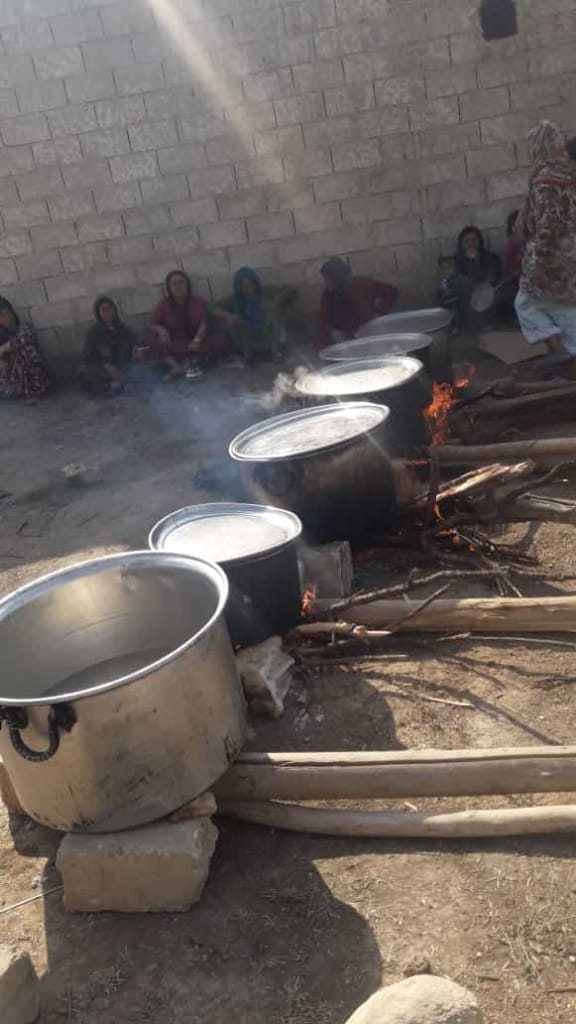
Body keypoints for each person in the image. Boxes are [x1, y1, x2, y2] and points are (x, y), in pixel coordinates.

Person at [514, 120, 576, 370]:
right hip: (568, 259)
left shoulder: (545, 181)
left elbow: (547, 227)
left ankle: (563, 354)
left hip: (553, 263)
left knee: (526, 304)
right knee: (562, 308)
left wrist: (537, 265)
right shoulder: (566, 175)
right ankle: (564, 355)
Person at [146, 270, 229, 378]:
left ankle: (190, 364)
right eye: (174, 284)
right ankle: (177, 367)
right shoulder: (165, 305)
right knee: (149, 338)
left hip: (197, 343)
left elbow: (207, 319)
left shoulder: (197, 301)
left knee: (221, 339)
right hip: (176, 344)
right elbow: (151, 323)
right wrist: (160, 329)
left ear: (187, 284)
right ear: (169, 288)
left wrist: (196, 341)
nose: (178, 286)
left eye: (181, 282)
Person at [216, 267, 297, 364]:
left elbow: (292, 289)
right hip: (248, 336)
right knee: (236, 321)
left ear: (255, 283)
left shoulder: (264, 292)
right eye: (243, 285)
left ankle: (275, 352)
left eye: (250, 284)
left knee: (274, 312)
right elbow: (213, 307)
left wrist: (278, 298)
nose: (248, 288)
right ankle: (248, 356)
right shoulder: (236, 300)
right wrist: (228, 315)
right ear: (238, 286)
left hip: (267, 332)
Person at [315, 257, 398, 349]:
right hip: (344, 338)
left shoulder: (361, 285)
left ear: (337, 278)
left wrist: (380, 314)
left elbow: (391, 292)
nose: (325, 283)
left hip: (367, 334)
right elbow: (324, 319)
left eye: (328, 279)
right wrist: (332, 331)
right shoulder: (327, 295)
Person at [79, 296, 137, 396]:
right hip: (104, 371)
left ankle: (121, 384)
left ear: (114, 309)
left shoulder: (122, 328)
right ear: (99, 313)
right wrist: (104, 366)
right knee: (85, 375)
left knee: (142, 367)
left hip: (123, 366)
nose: (108, 312)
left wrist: (137, 350)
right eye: (103, 310)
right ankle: (115, 386)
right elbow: (86, 357)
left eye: (110, 308)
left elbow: (135, 342)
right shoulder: (94, 332)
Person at [0, 297, 49, 400]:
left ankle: (34, 390)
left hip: (28, 377)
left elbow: (24, 339)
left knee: (25, 351)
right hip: (9, 379)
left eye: (6, 314)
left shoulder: (22, 327)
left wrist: (7, 346)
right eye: (1, 316)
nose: (4, 318)